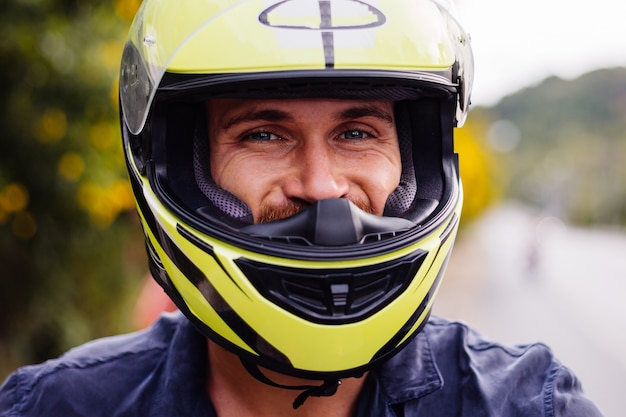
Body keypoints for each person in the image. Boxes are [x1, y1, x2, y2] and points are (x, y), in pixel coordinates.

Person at [0, 0, 604, 416]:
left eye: (358, 133)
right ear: (185, 168)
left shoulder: (523, 404)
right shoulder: (54, 406)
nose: (321, 187)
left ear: (413, 163)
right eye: (264, 134)